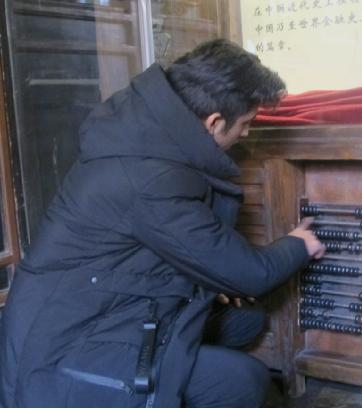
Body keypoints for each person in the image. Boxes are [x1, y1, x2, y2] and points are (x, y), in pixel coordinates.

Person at [0, 39, 325, 407]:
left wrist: (211, 277)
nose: (247, 134)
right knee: (244, 380)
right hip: (60, 351)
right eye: (246, 124)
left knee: (245, 322)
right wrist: (299, 244)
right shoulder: (147, 178)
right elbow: (249, 273)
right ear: (214, 122)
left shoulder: (146, 132)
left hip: (104, 302)